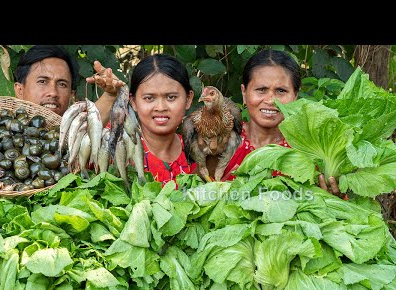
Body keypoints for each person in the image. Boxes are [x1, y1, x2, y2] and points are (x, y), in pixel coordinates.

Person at [219, 49, 342, 197]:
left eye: (281, 91)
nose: (271, 100)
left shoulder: (311, 151)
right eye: (261, 89)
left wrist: (332, 198)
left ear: (295, 96)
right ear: (244, 93)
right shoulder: (221, 141)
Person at [129, 53, 197, 186]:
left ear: (188, 99)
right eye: (149, 98)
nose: (160, 107)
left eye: (171, 97)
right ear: (134, 102)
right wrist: (109, 96)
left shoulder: (198, 150)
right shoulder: (120, 148)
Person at [13, 45, 125, 122]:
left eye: (62, 84)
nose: (53, 92)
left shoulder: (76, 137)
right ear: (20, 90)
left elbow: (91, 126)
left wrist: (111, 94)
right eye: (42, 82)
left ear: (72, 94)